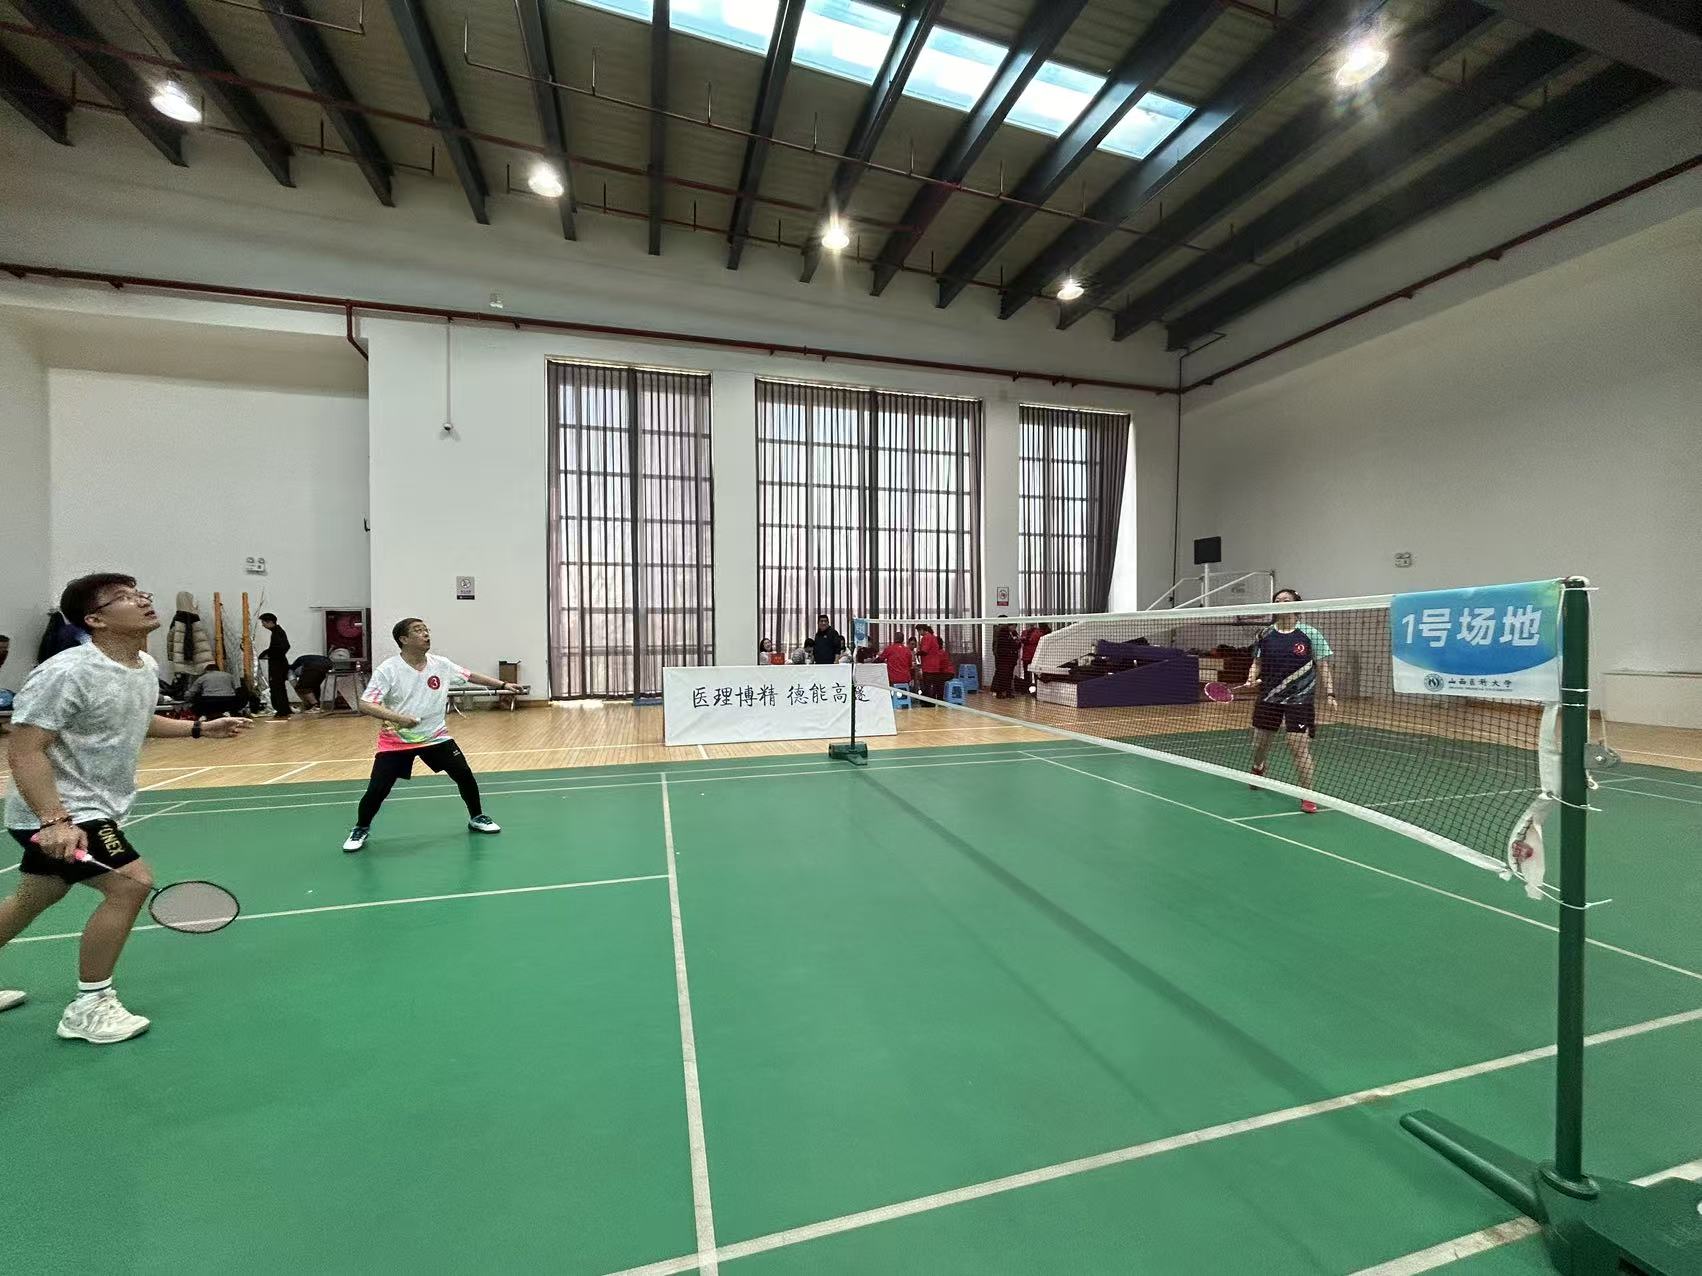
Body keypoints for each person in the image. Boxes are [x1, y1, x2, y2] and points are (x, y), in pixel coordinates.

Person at [1, 573, 247, 1043]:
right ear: (95, 619)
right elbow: (25, 750)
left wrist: (200, 729)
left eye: (140, 594)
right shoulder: (65, 672)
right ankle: (89, 1006)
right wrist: (55, 820)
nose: (142, 601)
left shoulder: (142, 665)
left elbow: (138, 718)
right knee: (131, 883)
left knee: (35, 898)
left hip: (94, 808)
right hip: (61, 812)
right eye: (124, 598)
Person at [340, 617, 523, 854]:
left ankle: (477, 817)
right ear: (404, 639)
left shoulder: (440, 664)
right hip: (397, 740)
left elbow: (469, 676)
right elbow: (366, 704)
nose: (425, 634)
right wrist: (399, 718)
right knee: (378, 789)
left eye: (426, 630)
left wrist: (503, 685)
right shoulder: (389, 669)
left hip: (436, 736)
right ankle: (361, 828)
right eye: (418, 631)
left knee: (464, 775)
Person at [1235, 588, 1337, 815]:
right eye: (1277, 600)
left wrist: (1330, 693)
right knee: (1260, 743)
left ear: (1296, 605)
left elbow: (1323, 666)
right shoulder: (1264, 634)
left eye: (1286, 600)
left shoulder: (1310, 634)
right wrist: (1251, 676)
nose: (1280, 603)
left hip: (1300, 698)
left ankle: (1308, 795)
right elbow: (1257, 663)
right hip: (1269, 697)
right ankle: (1259, 767)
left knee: (1297, 745)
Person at [258, 612, 292, 719]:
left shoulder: (278, 632)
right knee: (279, 687)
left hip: (278, 665)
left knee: (277, 687)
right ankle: (284, 709)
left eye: (263, 622)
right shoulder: (276, 632)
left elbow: (285, 646)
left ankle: (282, 710)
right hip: (278, 663)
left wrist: (271, 654)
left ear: (270, 622)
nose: (263, 625)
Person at [915, 624, 954, 704]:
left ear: (921, 630)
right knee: (932, 685)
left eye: (919, 631)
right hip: (935, 667)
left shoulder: (926, 637)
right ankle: (935, 700)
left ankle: (928, 703)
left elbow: (924, 651)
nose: (919, 633)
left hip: (928, 667)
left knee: (927, 685)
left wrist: (917, 653)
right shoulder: (933, 638)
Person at [991, 620, 1021, 699]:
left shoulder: (1013, 634)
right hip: (1004, 659)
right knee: (1002, 675)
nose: (1014, 628)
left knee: (1009, 676)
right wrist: (1014, 643)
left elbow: (1017, 646)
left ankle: (1008, 692)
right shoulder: (1003, 634)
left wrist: (1018, 642)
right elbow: (1004, 646)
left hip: (1011, 659)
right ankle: (999, 692)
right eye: (1014, 626)